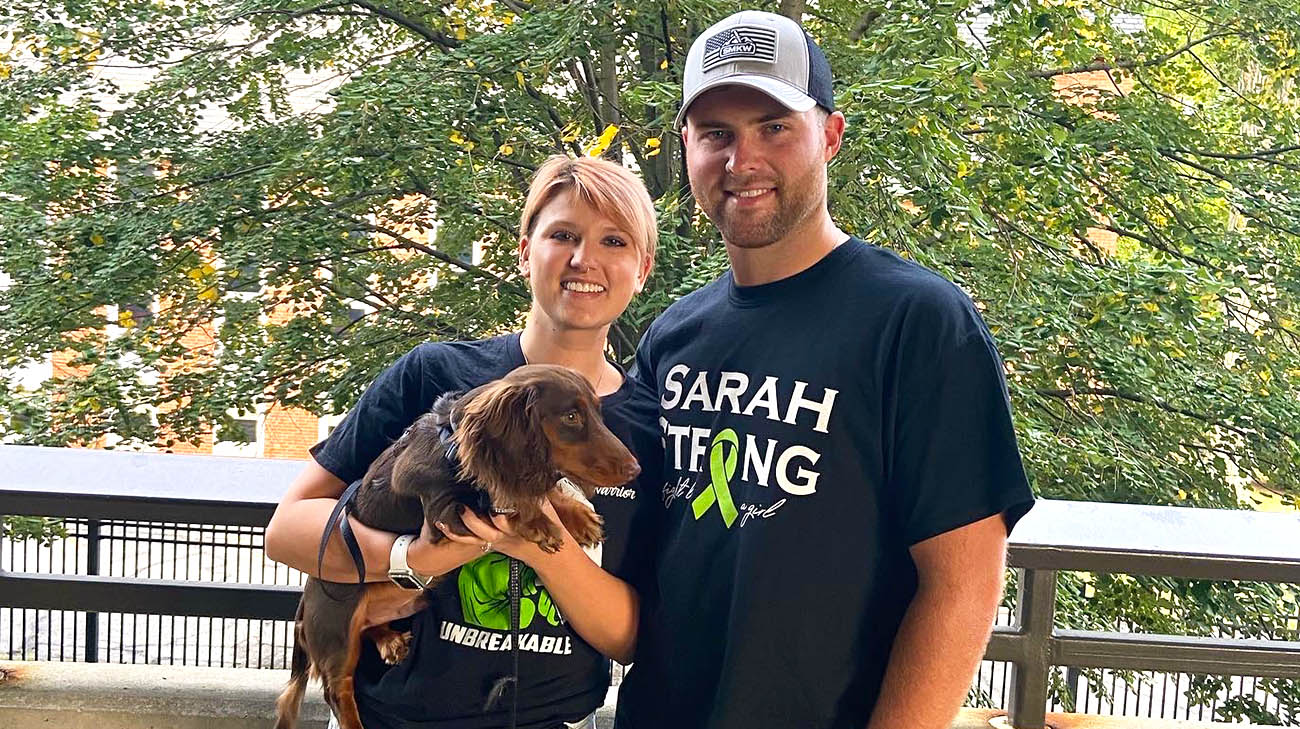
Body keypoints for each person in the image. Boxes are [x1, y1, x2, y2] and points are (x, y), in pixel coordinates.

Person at [614, 10, 1035, 729]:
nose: (741, 159)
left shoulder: (919, 322)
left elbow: (964, 584)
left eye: (774, 126)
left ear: (831, 136)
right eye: (716, 133)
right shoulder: (671, 337)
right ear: (686, 145)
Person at [265, 154, 662, 729]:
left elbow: (631, 637)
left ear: (643, 267)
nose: (584, 259)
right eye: (563, 234)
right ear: (526, 249)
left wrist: (532, 542)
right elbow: (287, 532)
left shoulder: (650, 427)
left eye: (615, 241)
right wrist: (412, 559)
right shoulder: (433, 375)